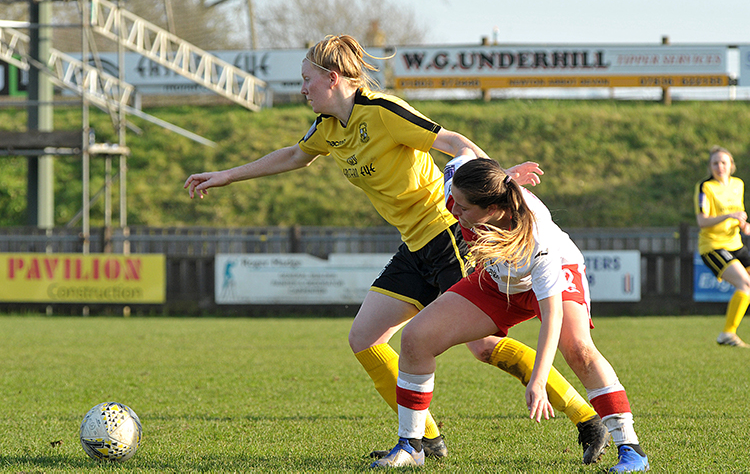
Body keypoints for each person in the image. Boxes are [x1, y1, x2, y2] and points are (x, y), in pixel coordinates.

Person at [184, 34, 607, 464]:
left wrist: (499, 183)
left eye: (306, 79)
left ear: (333, 79)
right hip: (414, 245)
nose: (302, 89)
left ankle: (586, 417)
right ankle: (424, 439)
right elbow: (294, 155)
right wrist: (226, 175)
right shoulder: (329, 128)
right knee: (365, 338)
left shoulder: (383, 111)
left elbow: (455, 143)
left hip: (450, 235)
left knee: (483, 347)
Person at [372, 157, 649, 472]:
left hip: (551, 275)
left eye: (463, 207)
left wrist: (539, 380)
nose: (453, 211)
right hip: (496, 279)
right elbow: (459, 151)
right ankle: (412, 445)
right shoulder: (461, 191)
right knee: (416, 338)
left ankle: (632, 450)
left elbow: (552, 315)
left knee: (578, 350)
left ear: (492, 209)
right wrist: (503, 174)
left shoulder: (538, 241)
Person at [695, 145, 750, 347]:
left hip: (736, 243)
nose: (720, 166)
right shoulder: (706, 187)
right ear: (710, 167)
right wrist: (728, 216)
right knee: (745, 283)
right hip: (713, 246)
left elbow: (739, 213)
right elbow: (702, 221)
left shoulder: (738, 184)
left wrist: (744, 224)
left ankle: (730, 332)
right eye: (715, 163)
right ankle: (727, 334)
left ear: (731, 165)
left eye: (724, 162)